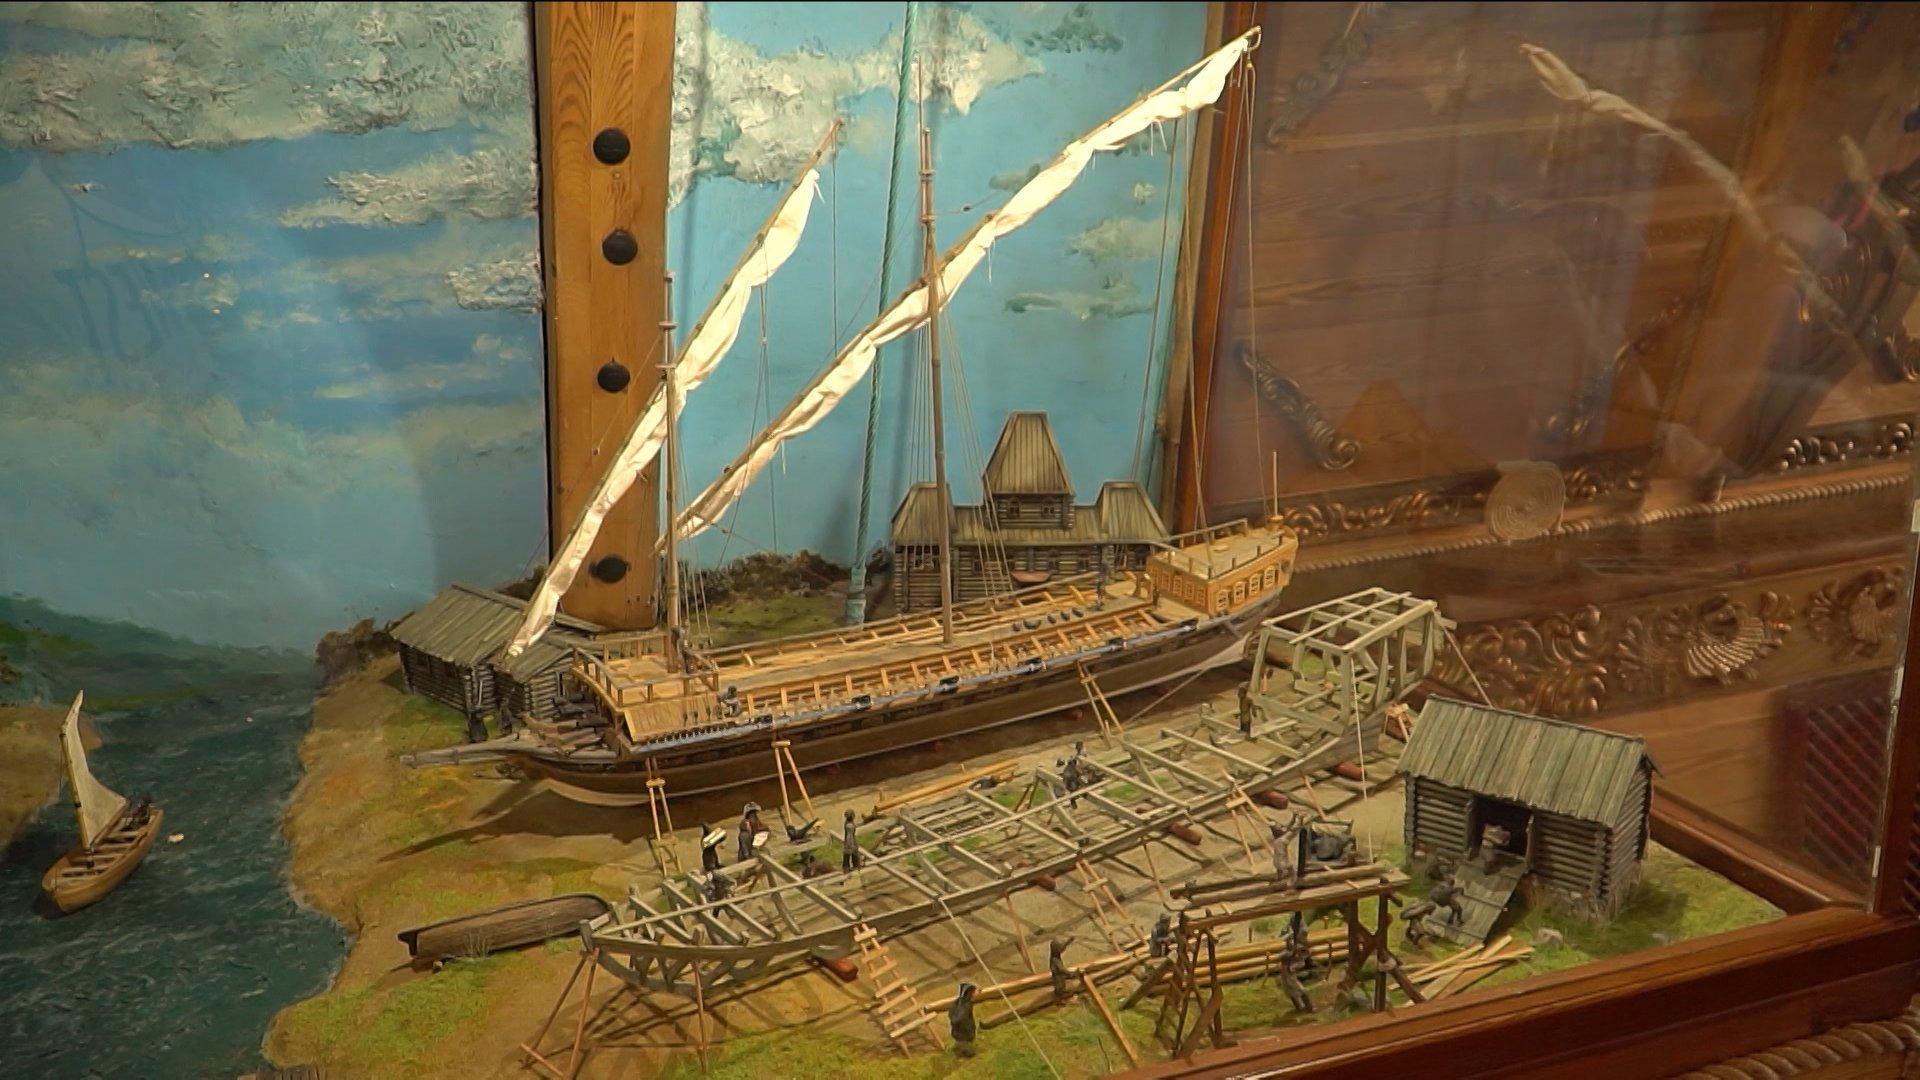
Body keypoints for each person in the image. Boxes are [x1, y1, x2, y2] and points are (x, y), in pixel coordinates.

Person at [948, 982, 978, 1057]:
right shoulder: (966, 1006)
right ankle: (962, 1047)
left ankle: (962, 1046)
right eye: (974, 992)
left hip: (959, 1033)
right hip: (963, 1034)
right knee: (970, 1054)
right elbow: (960, 1019)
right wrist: (968, 1031)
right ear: (969, 993)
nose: (975, 993)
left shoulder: (958, 1002)